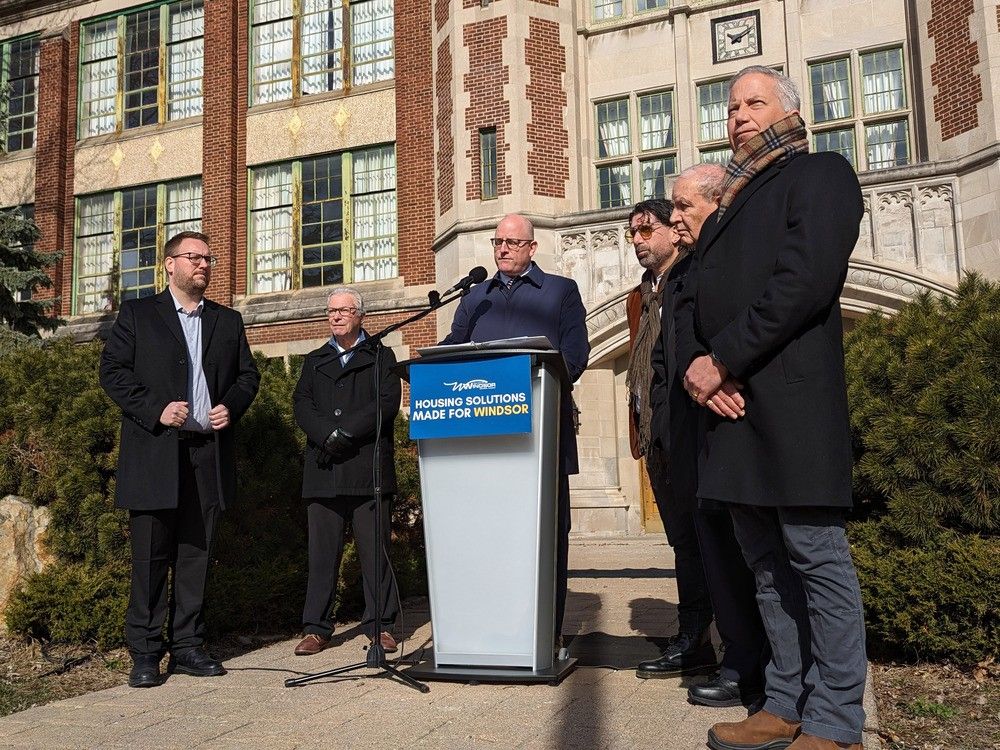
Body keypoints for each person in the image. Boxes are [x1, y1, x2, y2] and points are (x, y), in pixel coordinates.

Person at [677, 66, 866, 750]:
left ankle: (838, 718)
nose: (738, 115)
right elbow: (693, 294)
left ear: (788, 109)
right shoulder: (728, 200)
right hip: (732, 413)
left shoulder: (822, 174)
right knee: (763, 564)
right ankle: (783, 702)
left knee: (815, 556)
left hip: (791, 404)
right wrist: (702, 370)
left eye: (753, 102)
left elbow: (804, 281)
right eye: (730, 106)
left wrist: (723, 355)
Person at [99, 231, 260, 689]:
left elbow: (249, 376)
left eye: (208, 258)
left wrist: (232, 403)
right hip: (156, 452)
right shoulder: (138, 315)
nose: (203, 265)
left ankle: (188, 645)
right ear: (169, 264)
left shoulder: (228, 322)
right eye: (193, 258)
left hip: (207, 453)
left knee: (196, 552)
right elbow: (111, 372)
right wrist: (156, 409)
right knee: (150, 556)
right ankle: (146, 652)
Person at [442, 213, 590, 649]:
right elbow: (455, 347)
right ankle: (490, 628)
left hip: (539, 435)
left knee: (545, 536)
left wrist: (530, 379)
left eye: (512, 242)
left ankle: (547, 629)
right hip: (482, 442)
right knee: (487, 535)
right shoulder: (475, 298)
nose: (503, 249)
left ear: (531, 247)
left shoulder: (560, 291)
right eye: (497, 242)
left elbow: (575, 356)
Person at [667, 165, 770, 709]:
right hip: (703, 428)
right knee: (719, 553)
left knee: (764, 558)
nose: (674, 218)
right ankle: (739, 663)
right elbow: (681, 340)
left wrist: (727, 370)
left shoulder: (745, 254)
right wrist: (700, 379)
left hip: (752, 422)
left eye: (683, 207)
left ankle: (777, 670)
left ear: (716, 203)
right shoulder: (683, 273)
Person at [624, 199, 715, 680]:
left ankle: (711, 639)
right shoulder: (640, 295)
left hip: (690, 432)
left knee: (707, 540)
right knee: (682, 541)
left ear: (674, 233)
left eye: (645, 230)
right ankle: (693, 637)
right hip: (655, 437)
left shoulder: (693, 279)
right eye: (631, 233)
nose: (638, 240)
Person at [292, 286, 402, 657]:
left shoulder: (380, 356)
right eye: (331, 311)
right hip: (324, 467)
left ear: (360, 315)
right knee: (322, 555)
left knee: (376, 554)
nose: (336, 316)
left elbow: (387, 403)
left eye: (344, 310)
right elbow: (302, 404)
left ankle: (381, 626)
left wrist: (347, 431)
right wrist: (326, 434)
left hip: (366, 468)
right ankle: (316, 628)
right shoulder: (314, 360)